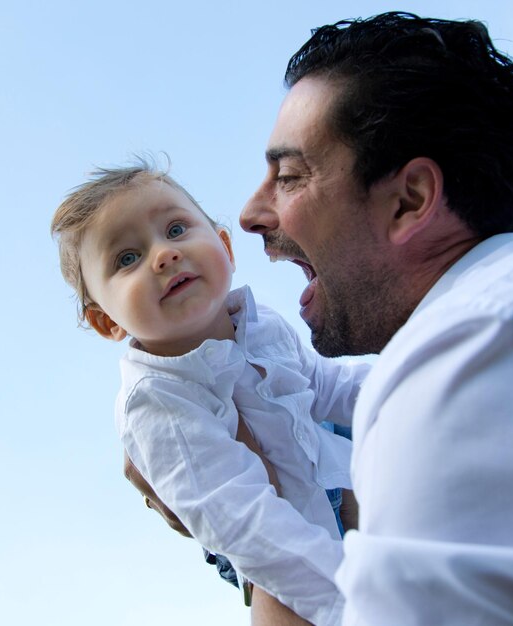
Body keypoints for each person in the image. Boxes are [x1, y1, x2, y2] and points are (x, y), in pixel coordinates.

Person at [240, 11, 513, 625]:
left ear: (409, 201)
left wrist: (253, 521)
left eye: (289, 176)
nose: (251, 213)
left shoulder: (460, 362)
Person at [51, 161, 369, 626]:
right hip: (278, 549)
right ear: (107, 321)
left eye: (176, 229)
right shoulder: (155, 400)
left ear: (224, 246)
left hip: (332, 473)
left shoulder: (263, 328)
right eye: (126, 258)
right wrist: (362, 603)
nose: (163, 255)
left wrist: (412, 387)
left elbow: (325, 387)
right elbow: (248, 526)